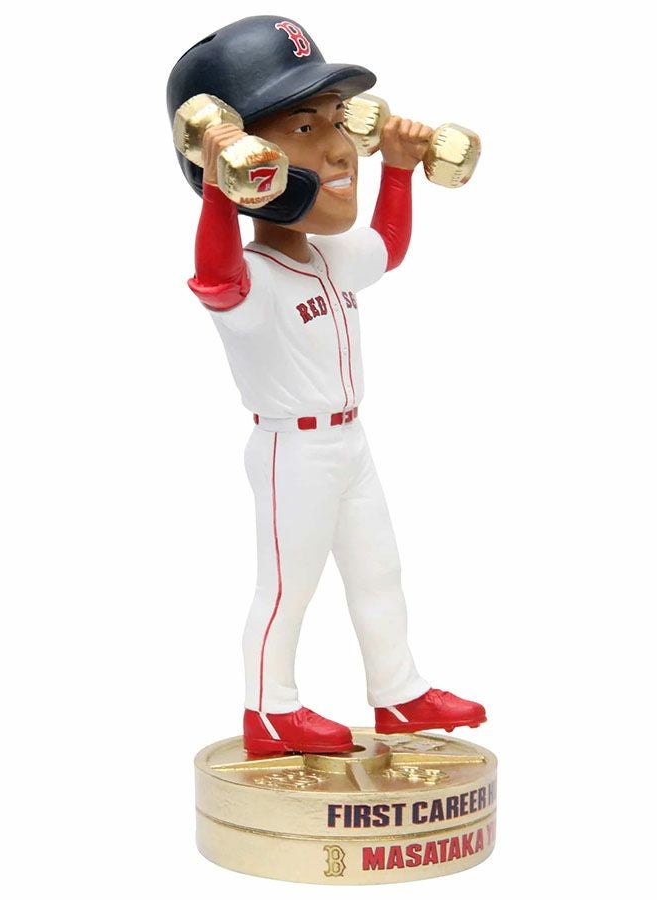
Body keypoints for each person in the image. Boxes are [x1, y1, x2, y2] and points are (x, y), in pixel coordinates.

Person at [168, 16, 486, 755]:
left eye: (337, 121)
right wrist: (219, 190)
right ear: (238, 149)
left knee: (380, 571)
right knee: (287, 587)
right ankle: (269, 709)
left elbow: (388, 247)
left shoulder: (327, 257)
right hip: (294, 451)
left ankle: (399, 693)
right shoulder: (253, 277)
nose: (340, 146)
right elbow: (214, 277)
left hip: (350, 443)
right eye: (305, 128)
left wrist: (399, 169)